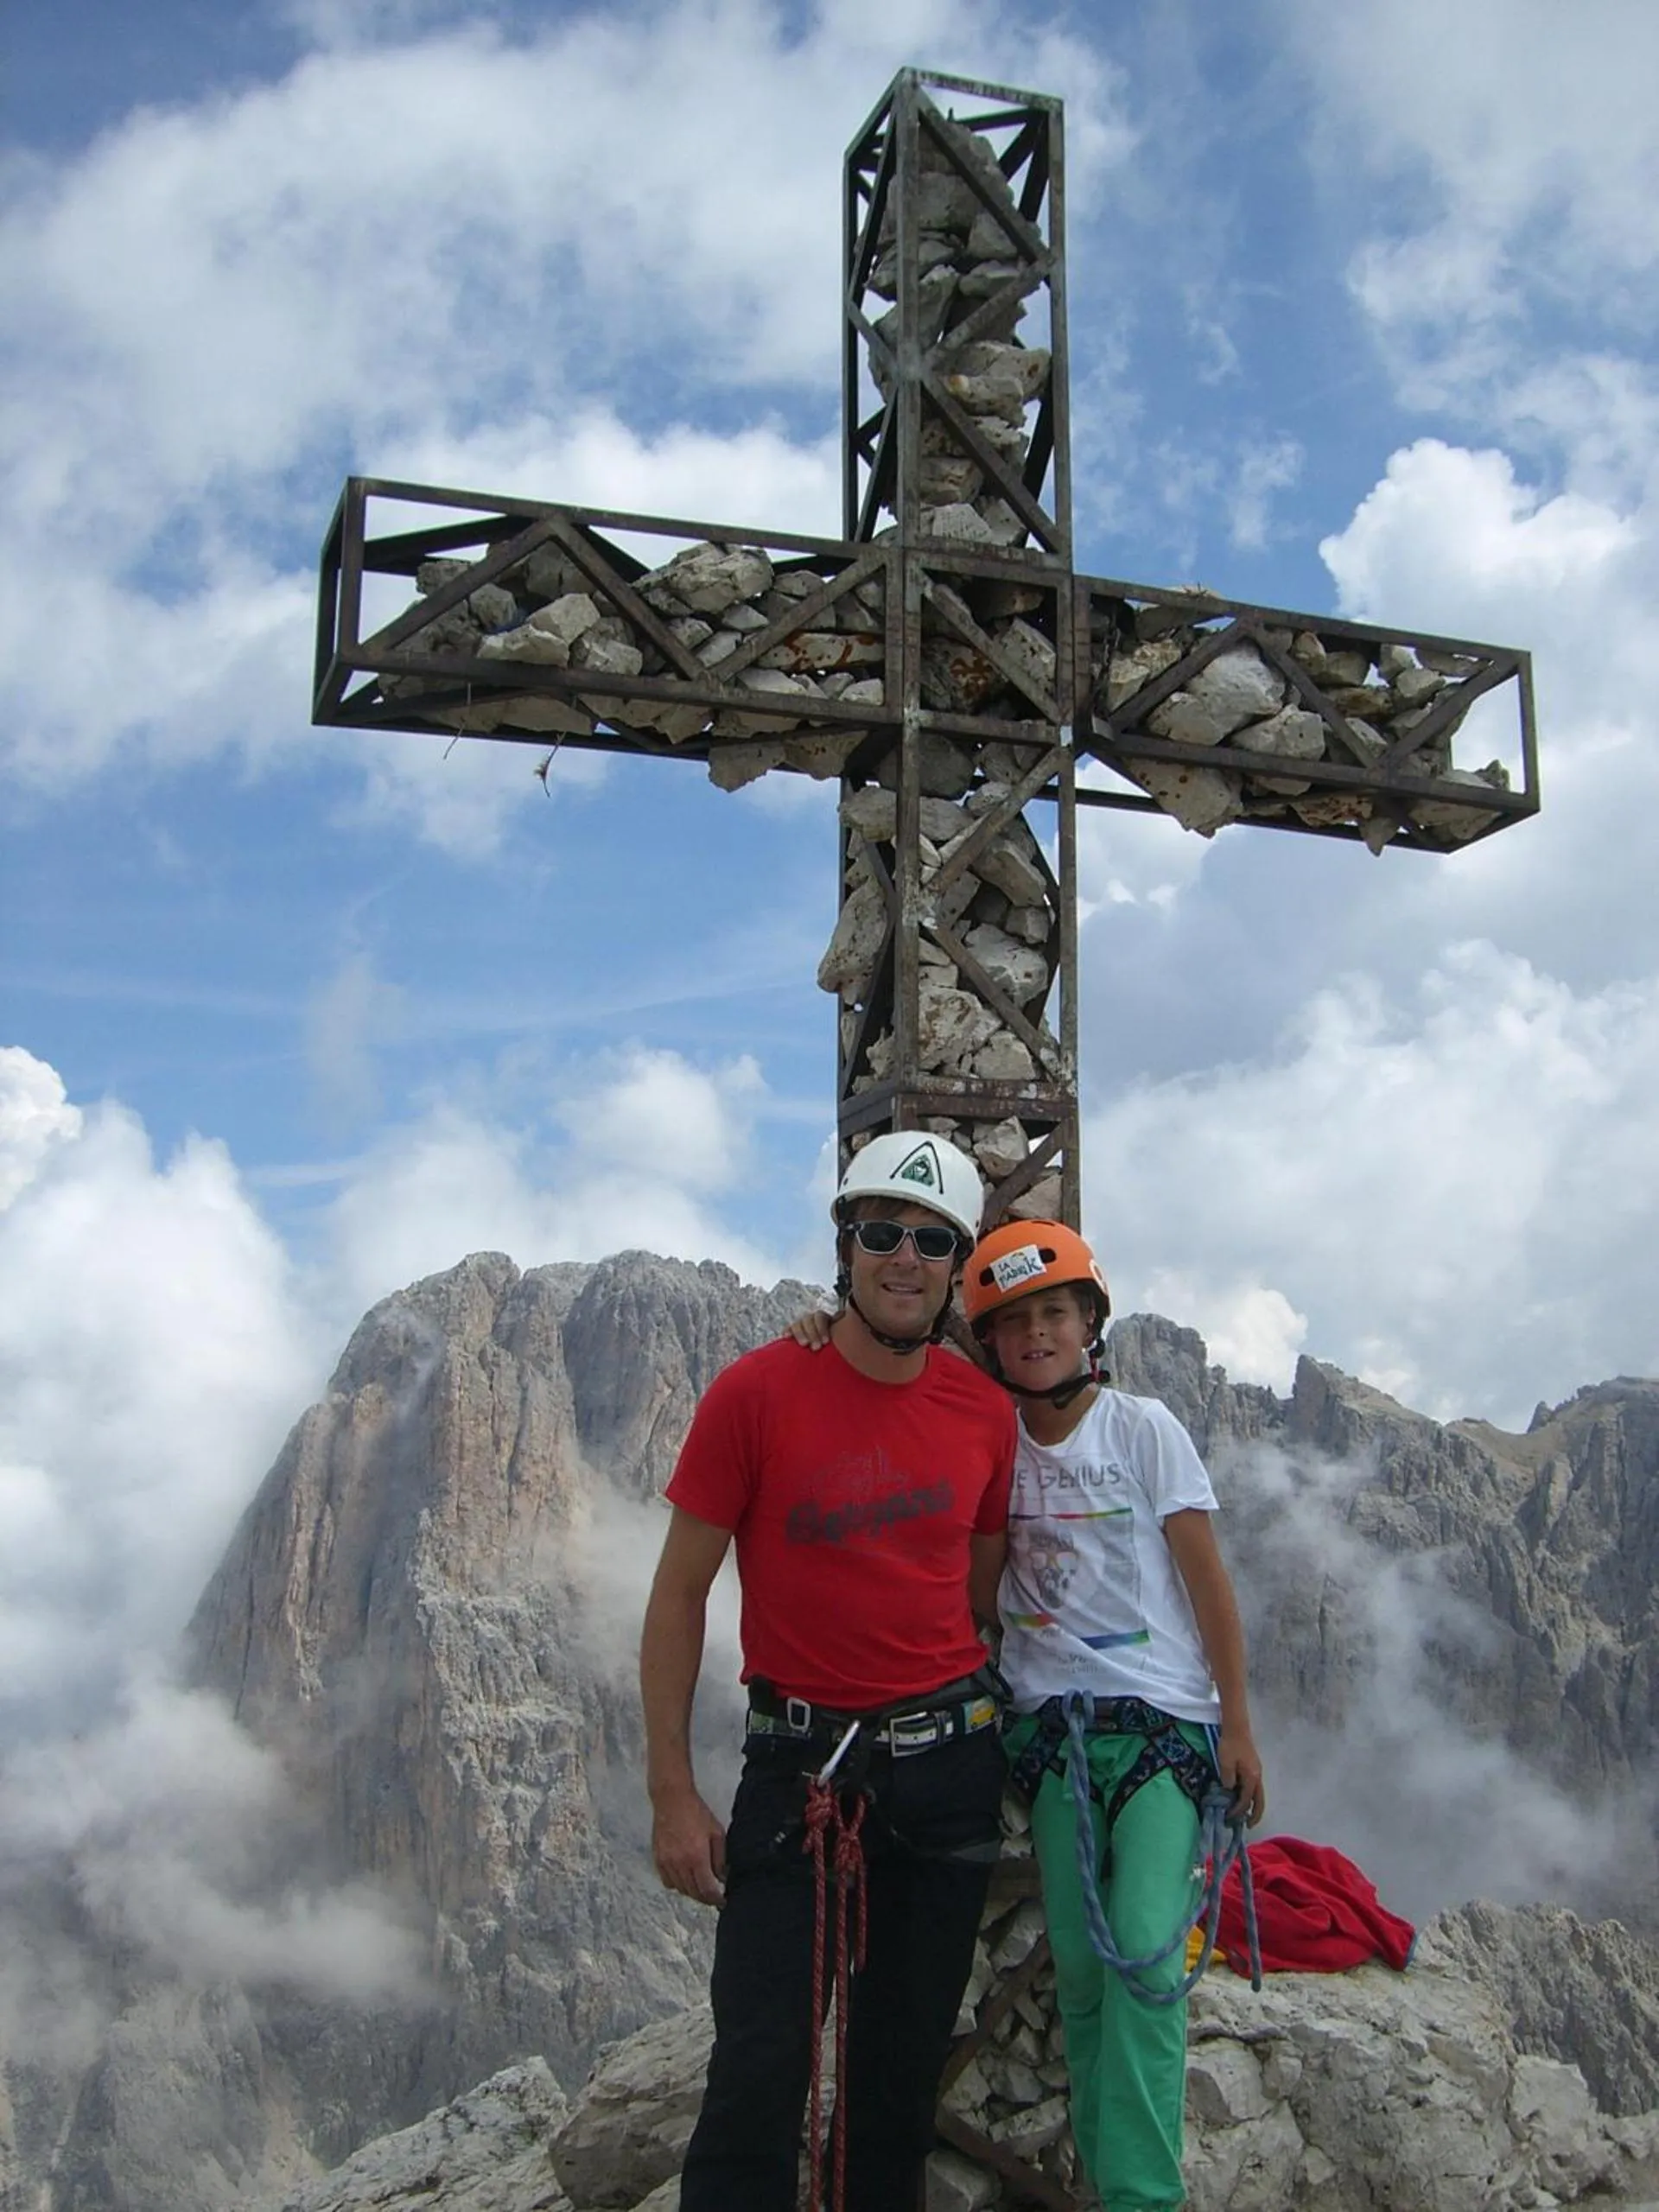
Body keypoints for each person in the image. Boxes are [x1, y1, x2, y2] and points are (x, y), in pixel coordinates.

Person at [639, 1130, 1017, 2212]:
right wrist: (672, 1790)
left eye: (932, 1241)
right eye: (884, 1232)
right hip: (800, 1771)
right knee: (759, 2073)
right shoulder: (757, 1393)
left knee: (895, 2087)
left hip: (947, 1774)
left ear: (957, 1265)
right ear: (846, 1244)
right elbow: (678, 1595)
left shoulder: (983, 1414)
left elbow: (982, 1591)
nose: (905, 1258)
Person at [962, 1219, 1265, 2212]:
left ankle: (1142, 2198)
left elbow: (1206, 1583)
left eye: (1054, 1312)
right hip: (1055, 1734)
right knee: (1087, 1975)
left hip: (1164, 1728)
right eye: (1015, 1322)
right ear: (990, 1343)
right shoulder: (993, 1446)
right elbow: (980, 1588)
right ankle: (1112, 2185)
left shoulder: (1142, 1429)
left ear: (1089, 1321)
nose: (1037, 1334)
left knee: (1139, 1949)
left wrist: (1237, 1726)